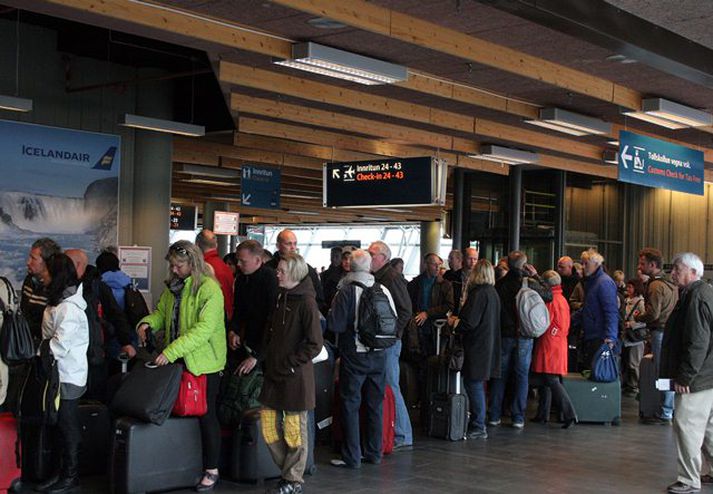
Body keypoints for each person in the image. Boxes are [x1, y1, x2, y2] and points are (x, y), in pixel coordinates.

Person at [137, 241, 227, 492]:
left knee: (205, 415)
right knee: (180, 411)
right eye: (172, 266)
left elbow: (203, 331)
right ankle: (184, 464)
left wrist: (170, 351)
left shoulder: (210, 290)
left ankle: (212, 468)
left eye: (179, 265)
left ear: (193, 263)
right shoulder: (173, 289)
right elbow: (161, 314)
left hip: (204, 364)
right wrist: (146, 323)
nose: (174, 270)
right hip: (179, 358)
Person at [259, 253, 323, 494]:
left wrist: (290, 363)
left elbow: (315, 343)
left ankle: (293, 479)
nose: (277, 273)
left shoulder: (307, 303)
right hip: (274, 374)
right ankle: (289, 473)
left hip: (294, 376)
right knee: (269, 426)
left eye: (282, 270)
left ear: (294, 274)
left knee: (295, 431)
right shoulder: (280, 297)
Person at [328, 249, 396, 467]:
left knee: (351, 404)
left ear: (350, 267)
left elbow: (335, 325)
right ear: (369, 267)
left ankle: (352, 456)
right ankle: (374, 453)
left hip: (355, 354)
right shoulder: (382, 288)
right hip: (380, 354)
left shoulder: (346, 291)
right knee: (375, 404)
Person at [660, 253, 713, 494]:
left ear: (693, 272)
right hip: (707, 375)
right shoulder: (699, 293)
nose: (673, 273)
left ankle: (689, 480)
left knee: (686, 424)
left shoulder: (696, 296)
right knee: (709, 427)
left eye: (677, 269)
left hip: (697, 377)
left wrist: (685, 377)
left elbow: (697, 341)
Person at [36, 253, 88, 494]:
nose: (41, 273)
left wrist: (38, 349)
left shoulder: (70, 309)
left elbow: (57, 345)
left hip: (68, 376)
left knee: (67, 425)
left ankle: (71, 476)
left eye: (45, 270)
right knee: (57, 425)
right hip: (57, 375)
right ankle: (59, 473)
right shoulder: (58, 302)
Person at [488, 251, 551, 429]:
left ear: (507, 263)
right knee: (522, 376)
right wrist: (536, 275)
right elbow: (549, 295)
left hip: (504, 336)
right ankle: (518, 417)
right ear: (525, 265)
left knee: (500, 375)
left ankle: (494, 414)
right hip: (524, 335)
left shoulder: (499, 285)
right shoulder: (529, 283)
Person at [65, 249, 134, 392]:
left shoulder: (96, 286)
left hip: (95, 352)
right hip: (71, 355)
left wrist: (126, 341)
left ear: (77, 265)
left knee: (94, 394)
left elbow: (115, 313)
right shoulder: (63, 285)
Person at [447, 259, 500, 439]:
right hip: (488, 345)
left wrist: (455, 322)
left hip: (477, 346)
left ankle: (478, 425)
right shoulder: (493, 293)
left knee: (473, 384)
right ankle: (478, 422)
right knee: (477, 385)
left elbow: (470, 322)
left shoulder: (478, 294)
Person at [367, 241, 413, 450]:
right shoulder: (380, 277)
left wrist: (393, 334)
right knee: (388, 386)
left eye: (372, 254)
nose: (369, 258)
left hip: (390, 342)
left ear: (383, 258)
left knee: (391, 386)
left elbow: (405, 310)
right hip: (386, 341)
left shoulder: (391, 279)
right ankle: (395, 432)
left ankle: (402, 434)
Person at [635, 247, 679, 425]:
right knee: (667, 373)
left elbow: (653, 314)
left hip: (660, 333)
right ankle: (668, 409)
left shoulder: (654, 286)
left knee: (664, 375)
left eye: (642, 263)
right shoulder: (670, 285)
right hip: (669, 333)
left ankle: (665, 411)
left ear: (652, 265)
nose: (639, 266)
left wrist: (638, 317)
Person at [530, 270, 577, 429]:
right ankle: (543, 414)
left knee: (550, 380)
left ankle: (570, 414)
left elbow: (544, 322)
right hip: (559, 344)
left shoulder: (550, 301)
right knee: (547, 380)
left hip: (549, 344)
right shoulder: (562, 299)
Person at [229, 240, 278, 375]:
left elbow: (272, 319)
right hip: (247, 341)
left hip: (266, 346)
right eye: (238, 260)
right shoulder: (240, 280)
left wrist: (258, 355)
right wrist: (233, 330)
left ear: (257, 260)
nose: (238, 265)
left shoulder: (270, 279)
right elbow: (238, 309)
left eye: (243, 261)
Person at [572, 249, 619, 368]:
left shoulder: (603, 283)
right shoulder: (592, 282)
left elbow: (611, 312)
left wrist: (610, 337)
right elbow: (588, 308)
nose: (582, 266)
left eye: (586, 263)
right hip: (593, 334)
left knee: (598, 372)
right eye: (582, 263)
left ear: (596, 264)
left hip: (600, 336)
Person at [266, 229, 325, 314]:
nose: (293, 247)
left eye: (295, 243)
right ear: (278, 245)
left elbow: (319, 299)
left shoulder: (307, 270)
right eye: (288, 243)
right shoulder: (268, 269)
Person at [407, 253, 454, 357]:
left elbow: (449, 306)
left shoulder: (445, 285)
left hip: (437, 327)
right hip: (418, 327)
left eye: (439, 265)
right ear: (426, 264)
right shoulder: (414, 284)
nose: (437, 268)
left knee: (434, 358)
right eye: (434, 264)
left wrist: (428, 313)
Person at [22, 238, 62, 341]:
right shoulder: (29, 280)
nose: (28, 262)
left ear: (47, 262)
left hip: (45, 345)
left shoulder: (57, 288)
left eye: (33, 258)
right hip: (27, 342)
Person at [196, 229, 234, 322]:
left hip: (212, 318)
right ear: (216, 245)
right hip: (224, 316)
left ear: (197, 245)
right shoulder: (224, 267)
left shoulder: (203, 269)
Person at [622, 278, 646, 396]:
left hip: (635, 338)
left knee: (634, 363)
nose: (628, 289)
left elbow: (645, 320)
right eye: (627, 287)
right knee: (626, 362)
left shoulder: (641, 303)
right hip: (626, 336)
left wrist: (632, 324)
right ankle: (628, 385)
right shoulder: (626, 300)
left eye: (630, 287)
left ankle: (635, 386)